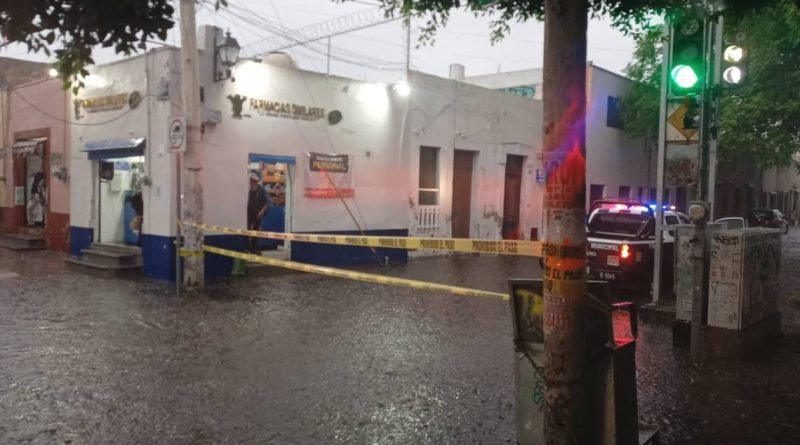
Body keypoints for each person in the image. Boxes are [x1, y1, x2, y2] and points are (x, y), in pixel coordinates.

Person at [247, 172, 269, 253]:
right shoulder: (247, 189)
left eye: (251, 181)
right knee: (247, 231)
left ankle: (253, 249)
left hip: (257, 214)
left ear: (254, 181)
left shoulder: (261, 190)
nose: (250, 182)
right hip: (248, 214)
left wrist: (261, 212)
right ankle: (247, 248)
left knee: (255, 232)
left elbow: (267, 202)